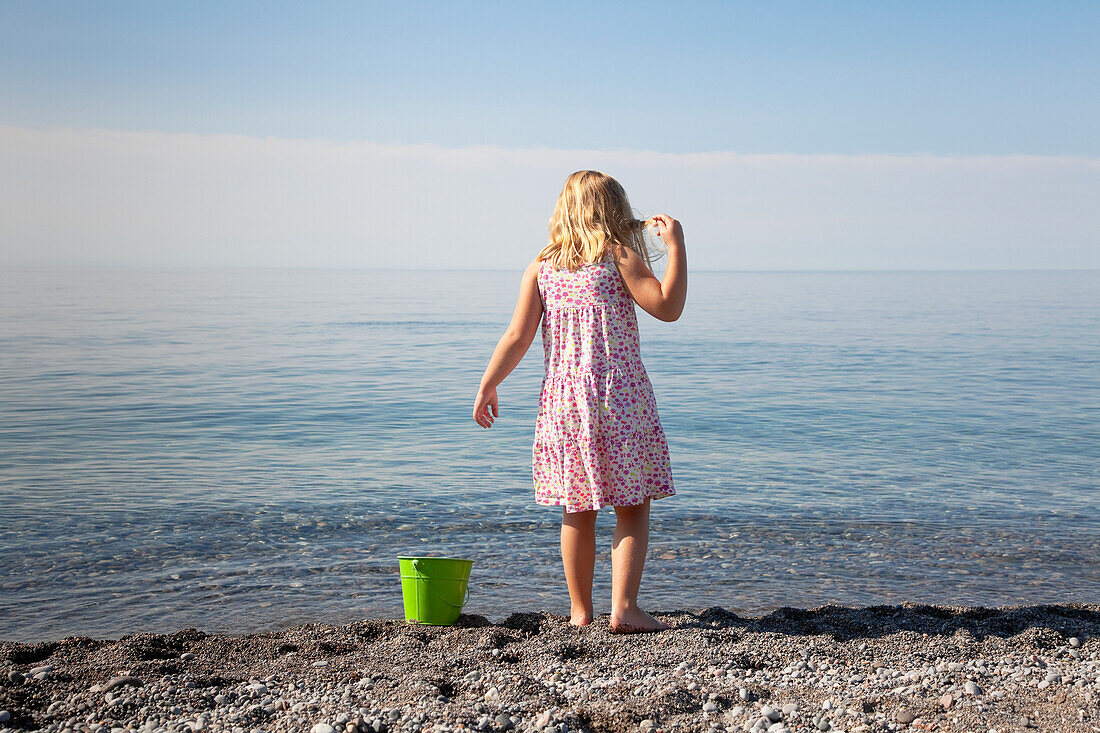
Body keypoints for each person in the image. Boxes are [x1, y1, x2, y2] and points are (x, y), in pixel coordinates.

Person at [473, 170, 687, 633]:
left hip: (564, 402)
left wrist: (489, 384)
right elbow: (668, 307)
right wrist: (677, 248)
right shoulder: (618, 256)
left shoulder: (542, 266)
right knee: (631, 504)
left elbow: (517, 336)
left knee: (577, 505)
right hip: (618, 396)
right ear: (612, 209)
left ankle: (580, 612)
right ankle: (625, 609)